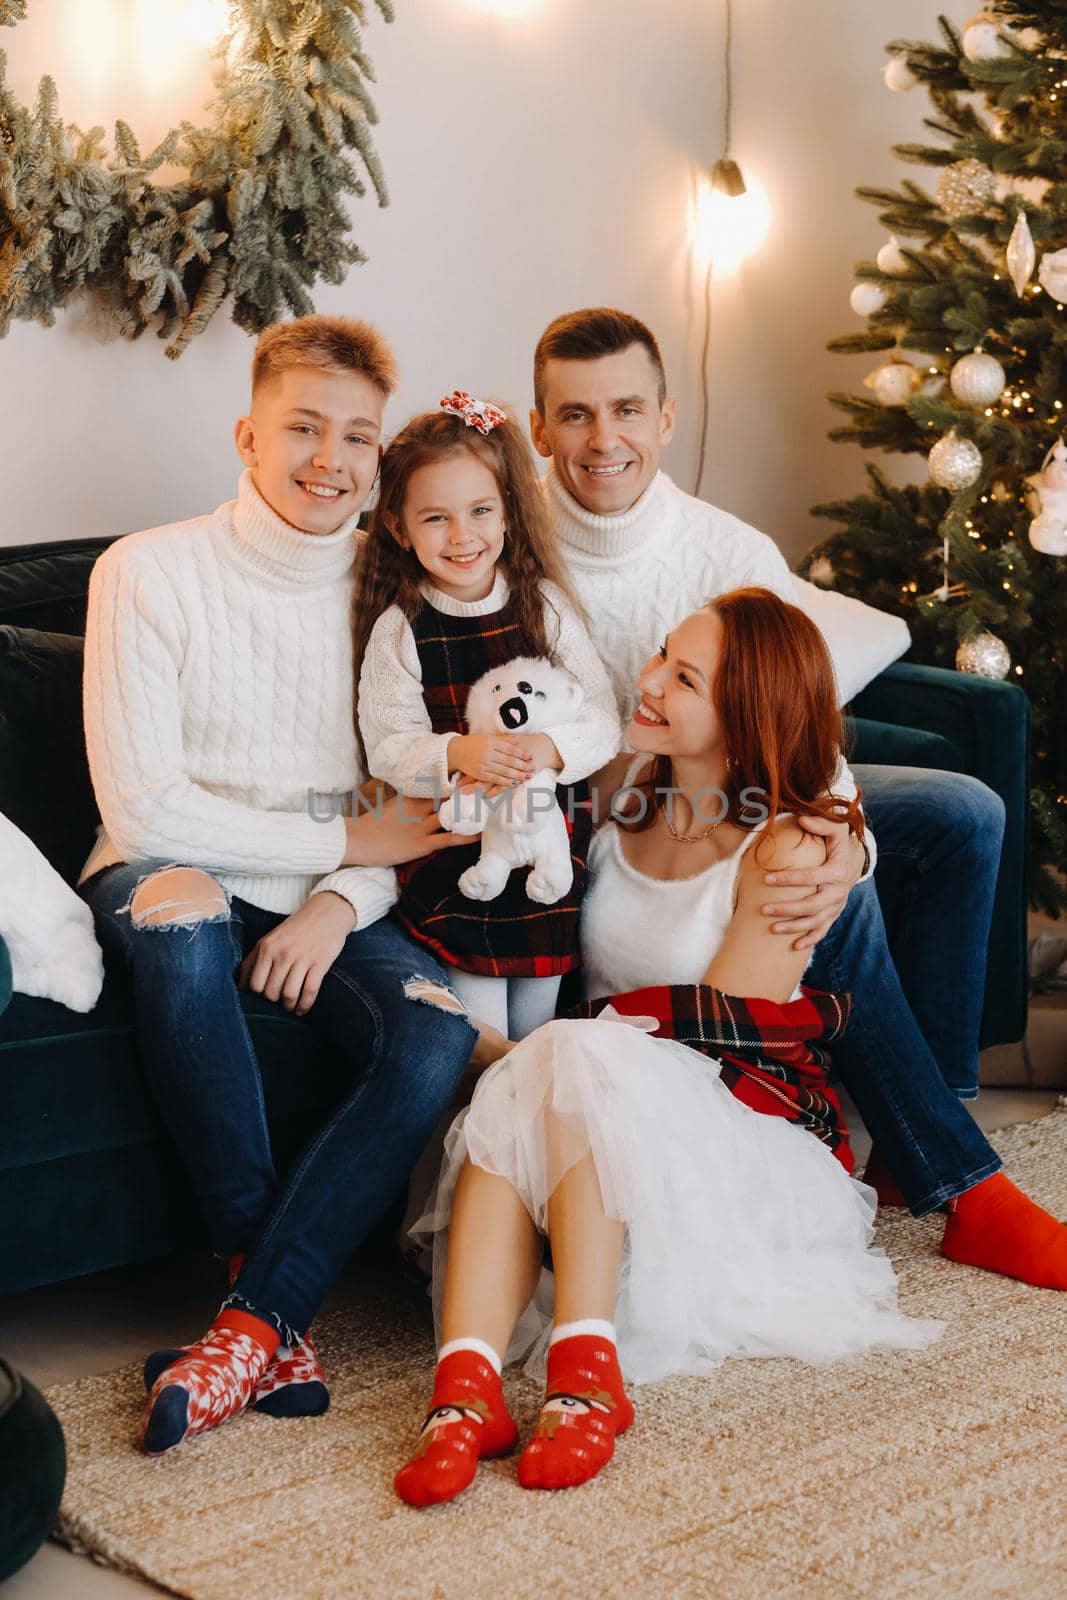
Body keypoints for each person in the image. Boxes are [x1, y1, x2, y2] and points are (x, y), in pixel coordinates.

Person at [394, 589, 952, 1509]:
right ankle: (465, 1397)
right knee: (548, 1082)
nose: (646, 681)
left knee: (552, 1068)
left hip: (728, 1125)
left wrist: (517, 1052)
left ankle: (579, 1380)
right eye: (660, 656)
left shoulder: (790, 844)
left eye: (682, 679)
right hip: (597, 1100)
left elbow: (716, 1028)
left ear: (743, 715)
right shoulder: (619, 790)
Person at [81, 316, 477, 1456]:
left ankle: (256, 1328)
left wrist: (334, 897)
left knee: (434, 1034)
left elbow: (404, 821)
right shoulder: (146, 570)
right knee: (190, 911)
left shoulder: (393, 595)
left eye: (358, 437)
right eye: (304, 427)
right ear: (249, 434)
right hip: (165, 872)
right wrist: (337, 849)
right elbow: (146, 808)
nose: (330, 459)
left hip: (326, 886)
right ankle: (259, 1272)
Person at [528, 307, 1021, 1212]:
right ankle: (953, 1173)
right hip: (599, 805)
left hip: (738, 783)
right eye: (575, 414)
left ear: (665, 419)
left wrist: (843, 846)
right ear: (540, 427)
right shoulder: (511, 537)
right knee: (829, 878)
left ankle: (932, 1116)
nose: (605, 440)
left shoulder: (727, 549)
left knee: (956, 815)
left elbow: (796, 720)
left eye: (628, 410)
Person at [353, 393, 620, 1041]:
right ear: (399, 528)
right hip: (456, 855)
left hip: (545, 851)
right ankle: (479, 1132)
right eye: (435, 518)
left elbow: (601, 720)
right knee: (483, 1033)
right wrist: (455, 755)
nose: (461, 535)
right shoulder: (400, 628)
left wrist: (551, 750)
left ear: (507, 511)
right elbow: (387, 746)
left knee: (539, 1023)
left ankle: (534, 1126)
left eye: (479, 511)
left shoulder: (544, 608)